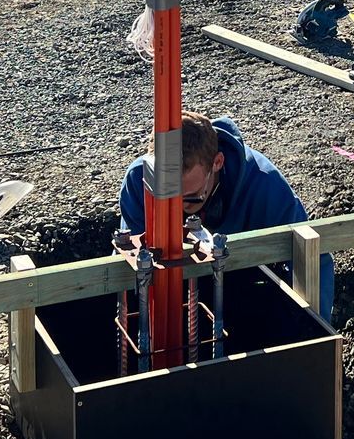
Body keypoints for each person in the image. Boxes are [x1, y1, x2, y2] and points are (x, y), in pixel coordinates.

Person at [117, 111, 334, 318]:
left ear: (217, 163)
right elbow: (132, 266)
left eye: (191, 197)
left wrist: (314, 337)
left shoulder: (264, 186)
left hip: (243, 285)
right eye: (168, 199)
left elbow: (312, 258)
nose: (179, 208)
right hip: (166, 292)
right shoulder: (139, 181)